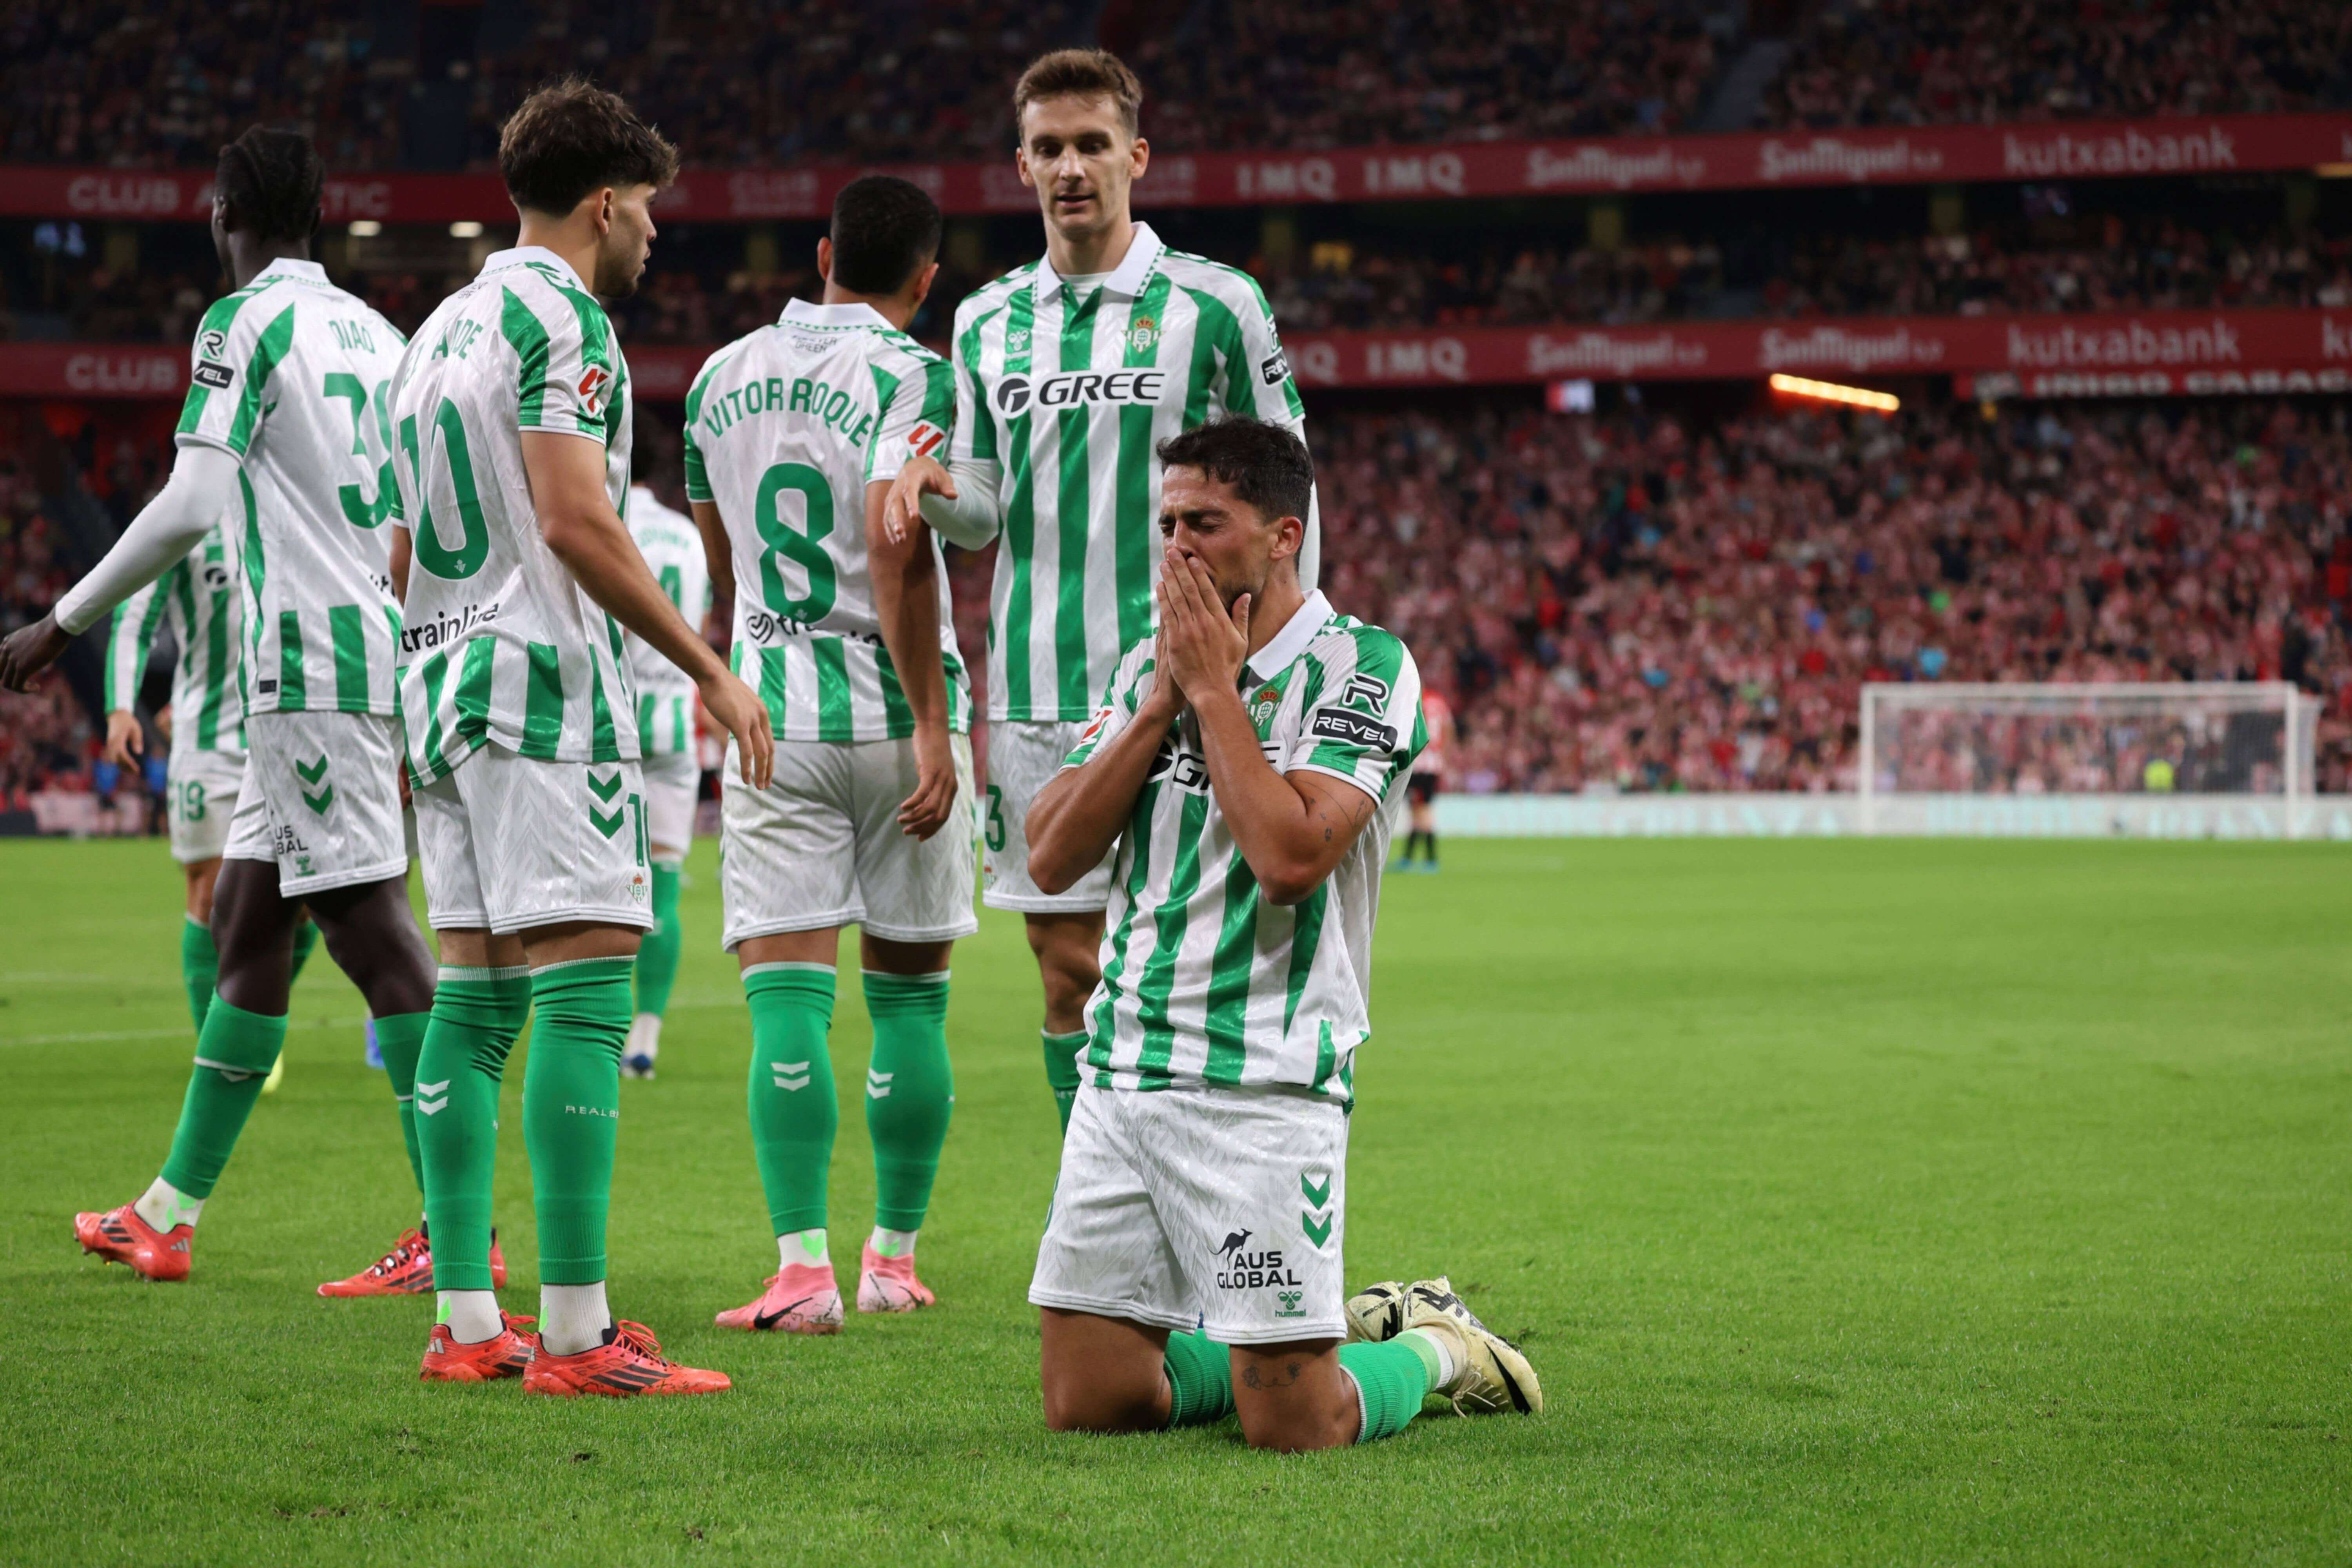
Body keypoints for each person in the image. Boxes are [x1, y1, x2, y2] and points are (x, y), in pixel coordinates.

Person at [1022, 417, 1539, 1450]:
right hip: (1124, 1073)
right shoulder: (1146, 670)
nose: (1176, 547)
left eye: (1205, 523)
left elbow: (1293, 858)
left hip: (1266, 1079)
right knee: (1095, 1404)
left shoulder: (1364, 668)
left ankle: (1440, 1345)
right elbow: (1048, 855)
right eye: (1165, 523)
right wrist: (1165, 694)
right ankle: (1296, 1336)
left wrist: (1214, 692)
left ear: (1282, 535)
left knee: (1294, 1428)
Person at [0, 127, 445, 1293]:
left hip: (308, 670)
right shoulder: (380, 335)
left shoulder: (239, 326)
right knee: (248, 936)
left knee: (375, 938)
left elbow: (193, 500)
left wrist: (65, 623)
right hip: (329, 669)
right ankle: (166, 1213)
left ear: (220, 216)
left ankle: (459, 1235)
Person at [387, 78, 771, 1394]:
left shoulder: (432, 332)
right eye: (651, 208)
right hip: (542, 690)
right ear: (606, 203)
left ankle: (465, 1321)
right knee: (592, 992)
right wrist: (708, 668)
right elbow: (574, 517)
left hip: (437, 685)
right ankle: (574, 1333)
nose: (656, 234)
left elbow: (399, 550)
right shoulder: (572, 322)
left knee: (477, 1001)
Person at [884, 48, 1317, 1138]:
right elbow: (983, 514)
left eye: (1090, 144)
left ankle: (1189, 1181)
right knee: (1068, 972)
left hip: (1189, 678)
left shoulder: (1217, 305)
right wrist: (939, 492)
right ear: (1021, 164)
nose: (1070, 167)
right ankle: (1102, 1196)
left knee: (1183, 960)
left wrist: (1280, 656)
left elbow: (1289, 480)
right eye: (1048, 148)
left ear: (1137, 153)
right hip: (1036, 689)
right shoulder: (984, 320)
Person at [686, 175, 975, 1333]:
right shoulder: (918, 374)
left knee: (786, 1001)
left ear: (819, 254)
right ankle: (892, 1260)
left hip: (777, 717)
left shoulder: (716, 378)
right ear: (924, 279)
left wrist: (762, 638)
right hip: (898, 710)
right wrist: (929, 722)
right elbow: (898, 544)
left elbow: (721, 561)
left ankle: (800, 1271)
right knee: (911, 1003)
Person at [104, 539, 325, 1091]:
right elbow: (134, 616)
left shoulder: (293, 491)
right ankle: (225, 1050)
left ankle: (251, 1012)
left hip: (293, 725)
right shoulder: (189, 512)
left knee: (307, 901)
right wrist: (120, 707)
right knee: (210, 890)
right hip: (208, 740)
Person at [619, 479, 711, 1080]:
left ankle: (586, 1024)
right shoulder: (689, 537)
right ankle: (645, 1035)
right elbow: (697, 624)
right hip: (677, 723)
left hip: (616, 718)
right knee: (666, 886)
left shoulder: (612, 517)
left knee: (594, 883)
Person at [1392, 684, 1453, 872]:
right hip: (1434, 764)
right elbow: (1448, 728)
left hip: (1419, 765)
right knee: (1418, 810)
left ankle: (1430, 859)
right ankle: (1409, 858)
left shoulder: (1415, 701)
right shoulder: (1439, 701)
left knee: (1422, 812)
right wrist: (1444, 758)